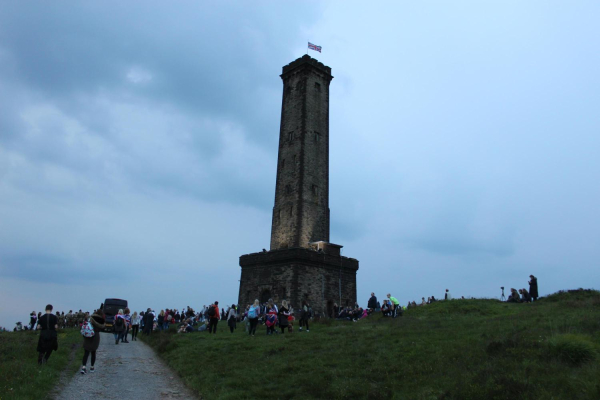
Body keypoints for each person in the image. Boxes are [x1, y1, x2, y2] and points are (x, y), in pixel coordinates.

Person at [80, 310, 106, 374]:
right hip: (96, 335)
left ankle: (84, 367)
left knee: (86, 352)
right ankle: (92, 367)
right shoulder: (101, 320)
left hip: (88, 334)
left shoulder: (91, 317)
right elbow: (103, 327)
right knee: (93, 352)